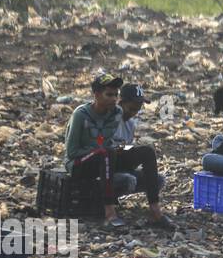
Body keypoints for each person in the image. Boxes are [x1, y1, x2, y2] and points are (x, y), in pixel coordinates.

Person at [63, 71, 173, 231]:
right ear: (96, 95)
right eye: (109, 95)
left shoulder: (115, 114)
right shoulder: (81, 115)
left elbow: (106, 142)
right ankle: (110, 213)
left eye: (115, 95)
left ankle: (155, 210)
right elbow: (72, 152)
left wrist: (117, 150)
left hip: (105, 160)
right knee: (108, 153)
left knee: (147, 152)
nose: (113, 99)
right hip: (80, 163)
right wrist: (102, 149)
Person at [112, 83, 167, 199]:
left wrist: (131, 148)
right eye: (131, 109)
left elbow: (125, 151)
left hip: (121, 166)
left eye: (137, 110)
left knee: (158, 180)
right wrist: (122, 148)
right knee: (128, 180)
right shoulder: (109, 119)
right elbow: (103, 149)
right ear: (120, 102)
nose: (133, 113)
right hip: (105, 168)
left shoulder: (130, 124)